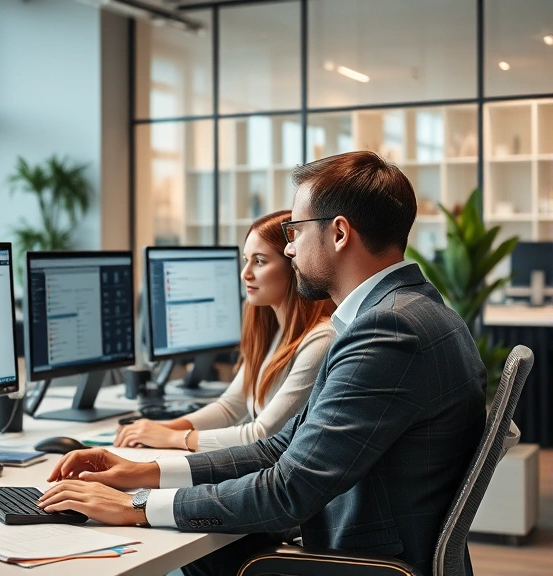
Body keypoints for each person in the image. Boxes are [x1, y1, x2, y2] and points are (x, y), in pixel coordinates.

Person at [37, 151, 486, 576]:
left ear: (339, 233)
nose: (289, 250)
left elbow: (289, 490)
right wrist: (144, 473)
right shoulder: (409, 312)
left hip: (368, 563)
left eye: (295, 231)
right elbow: (279, 448)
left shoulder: (389, 331)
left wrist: (135, 506)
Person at [115, 211, 336, 452]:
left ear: (294, 266)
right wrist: (162, 428)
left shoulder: (320, 339)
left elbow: (263, 434)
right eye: (246, 260)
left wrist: (172, 438)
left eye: (259, 261)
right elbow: (231, 407)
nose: (245, 274)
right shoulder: (272, 332)